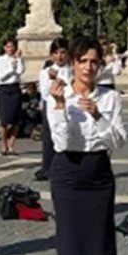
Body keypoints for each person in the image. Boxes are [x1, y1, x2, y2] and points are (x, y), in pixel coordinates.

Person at [47, 36, 126, 255]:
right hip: (67, 171)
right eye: (83, 61)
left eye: (94, 61)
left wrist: (98, 115)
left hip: (98, 173)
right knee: (70, 251)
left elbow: (118, 141)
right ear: (74, 63)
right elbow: (61, 142)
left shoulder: (109, 98)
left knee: (94, 252)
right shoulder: (58, 93)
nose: (89, 67)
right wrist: (60, 107)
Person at [36, 37, 72, 182]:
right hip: (51, 108)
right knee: (49, 140)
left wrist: (63, 82)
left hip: (69, 107)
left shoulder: (73, 71)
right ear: (51, 55)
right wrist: (53, 80)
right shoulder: (45, 72)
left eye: (63, 52)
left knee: (67, 138)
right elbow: (45, 93)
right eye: (56, 53)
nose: (59, 56)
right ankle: (48, 167)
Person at [0, 38, 26, 156]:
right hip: (4, 89)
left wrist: (18, 60)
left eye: (12, 47)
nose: (10, 49)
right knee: (4, 120)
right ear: (4, 48)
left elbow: (20, 71)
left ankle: (11, 145)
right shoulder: (0, 60)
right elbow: (1, 77)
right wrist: (11, 68)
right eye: (8, 47)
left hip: (15, 88)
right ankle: (3, 145)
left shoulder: (19, 59)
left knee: (15, 120)